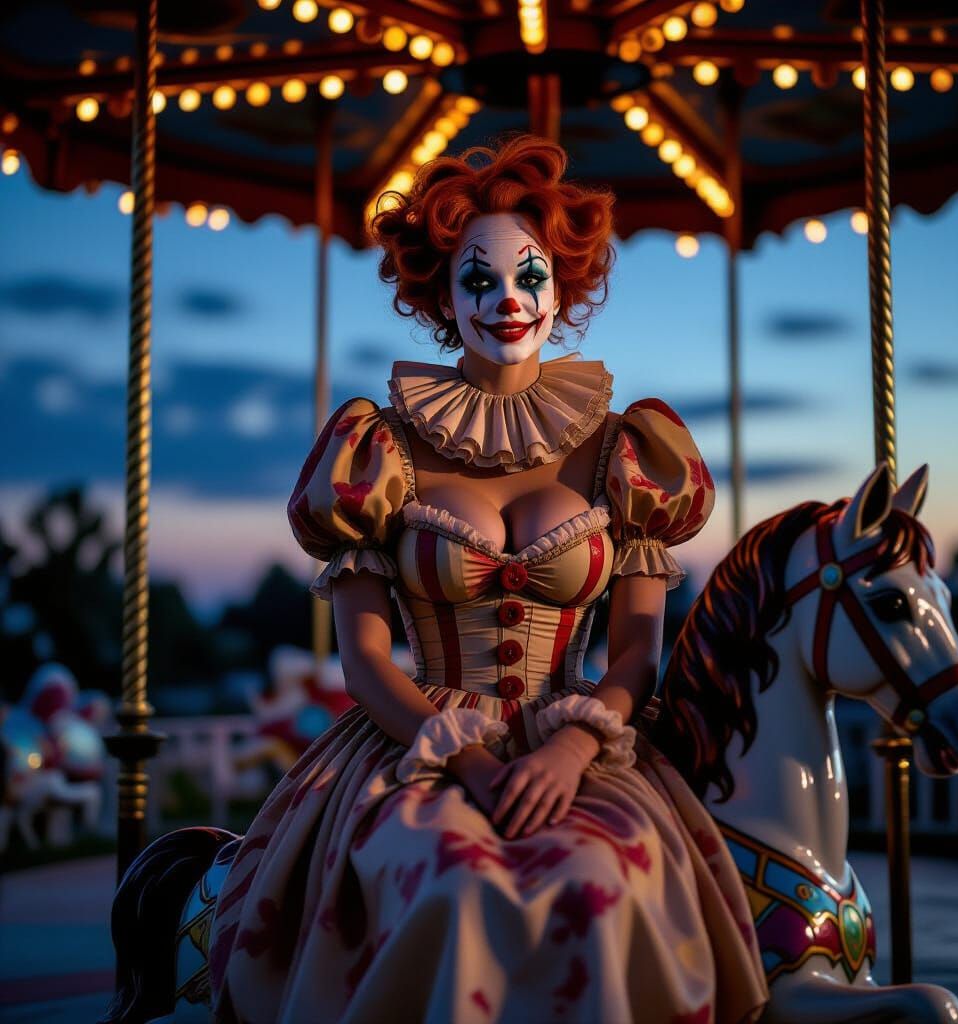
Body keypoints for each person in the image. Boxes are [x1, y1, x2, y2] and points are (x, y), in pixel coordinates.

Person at [208, 134, 768, 1024]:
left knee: (600, 880)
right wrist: (462, 758)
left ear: (563, 285)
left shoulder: (629, 448)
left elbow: (634, 655)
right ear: (440, 294)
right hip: (416, 742)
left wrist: (574, 747)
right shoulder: (376, 447)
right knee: (454, 884)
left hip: (572, 737)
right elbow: (364, 660)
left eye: (529, 276)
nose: (507, 299)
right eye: (478, 279)